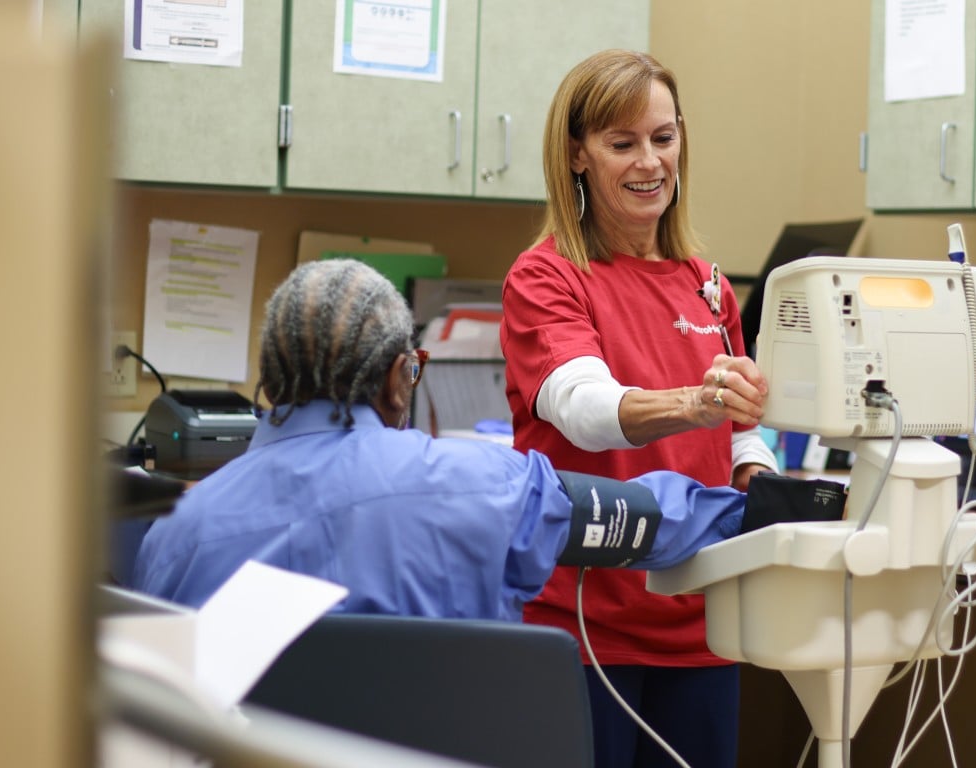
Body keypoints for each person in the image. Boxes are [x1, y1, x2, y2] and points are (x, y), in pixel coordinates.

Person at [131, 258, 748, 625]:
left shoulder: (172, 536)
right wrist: (758, 508)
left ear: (268, 376)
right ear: (402, 377)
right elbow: (649, 520)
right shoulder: (484, 486)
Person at [499, 49, 778, 768]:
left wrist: (763, 481)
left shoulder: (707, 285)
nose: (648, 162)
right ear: (577, 156)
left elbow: (741, 437)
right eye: (621, 144)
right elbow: (587, 410)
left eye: (663, 137)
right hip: (584, 629)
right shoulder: (547, 275)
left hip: (701, 628)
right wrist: (700, 401)